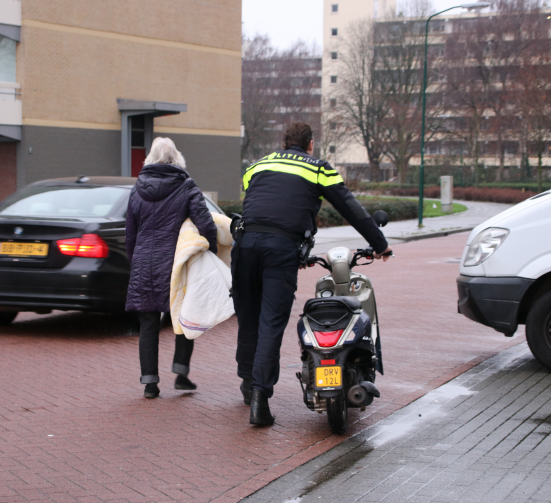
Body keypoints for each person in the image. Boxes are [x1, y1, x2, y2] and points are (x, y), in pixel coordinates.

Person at [233, 122, 392, 426]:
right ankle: (260, 399)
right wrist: (380, 244)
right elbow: (351, 208)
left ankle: (246, 385)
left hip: (246, 245)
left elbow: (263, 203)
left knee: (249, 319)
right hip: (280, 249)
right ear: (310, 145)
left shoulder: (257, 165)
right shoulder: (317, 168)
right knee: (270, 322)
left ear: (284, 143)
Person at [125, 137, 217, 399]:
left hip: (144, 263)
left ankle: (150, 383)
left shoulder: (137, 188)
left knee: (148, 323)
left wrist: (135, 262)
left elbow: (130, 233)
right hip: (176, 262)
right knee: (185, 315)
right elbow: (206, 224)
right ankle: (180, 371)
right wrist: (210, 250)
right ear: (177, 157)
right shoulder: (186, 186)